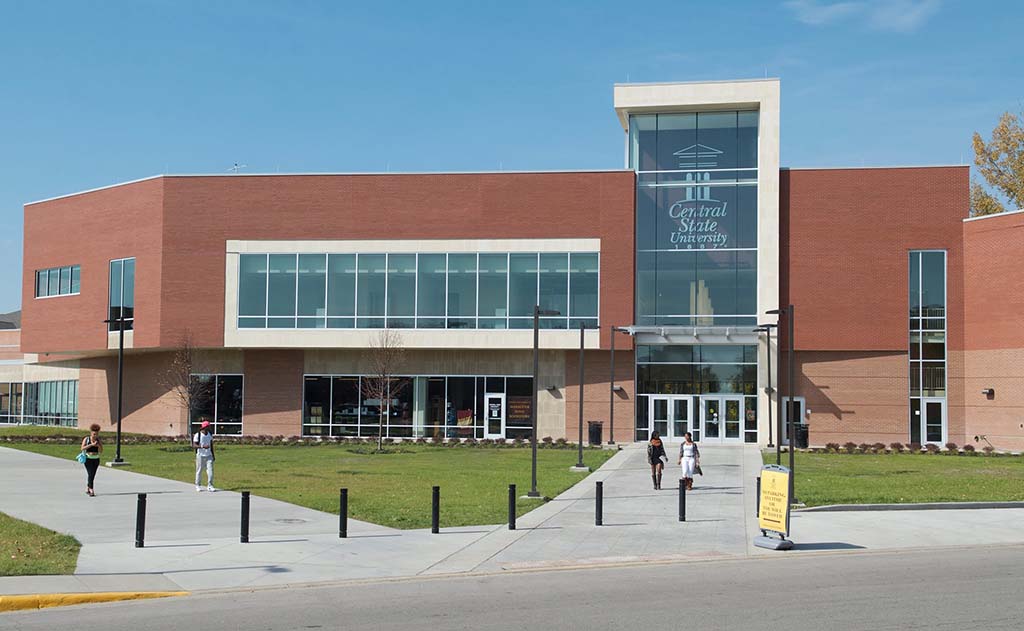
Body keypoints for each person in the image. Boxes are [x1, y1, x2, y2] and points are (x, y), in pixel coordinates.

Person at [193, 420, 216, 492]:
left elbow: (211, 445)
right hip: (200, 455)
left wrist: (213, 455)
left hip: (209, 455)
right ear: (205, 427)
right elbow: (194, 445)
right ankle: (198, 485)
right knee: (199, 471)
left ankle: (210, 485)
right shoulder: (198, 435)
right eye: (208, 426)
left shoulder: (209, 434)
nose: (209, 427)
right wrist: (203, 446)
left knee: (210, 471)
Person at [81, 424, 103, 496]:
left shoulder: (98, 440)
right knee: (90, 474)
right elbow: (82, 448)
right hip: (88, 459)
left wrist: (98, 446)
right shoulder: (86, 439)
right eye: (94, 434)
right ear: (91, 433)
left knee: (92, 474)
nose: (95, 436)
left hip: (96, 459)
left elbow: (101, 451)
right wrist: (91, 445)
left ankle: (88, 487)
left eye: (96, 434)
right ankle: (91, 489)